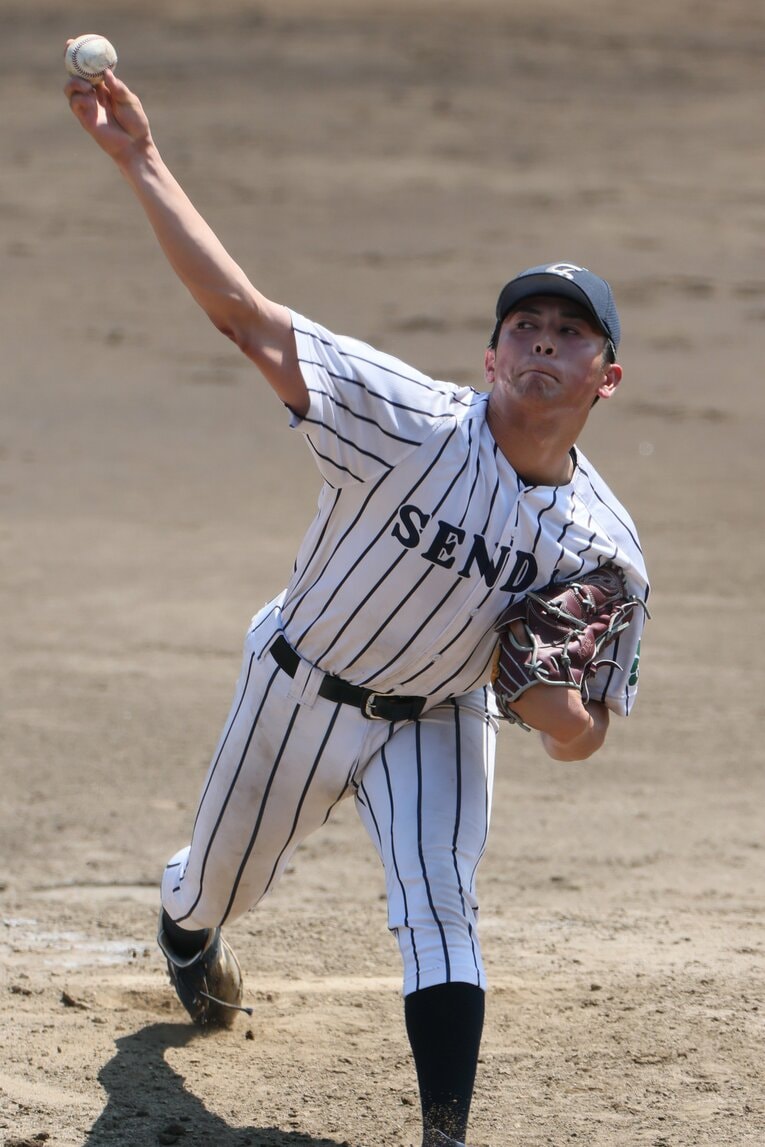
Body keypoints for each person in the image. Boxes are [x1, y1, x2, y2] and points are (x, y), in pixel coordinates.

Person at [64, 58, 649, 1147]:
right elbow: (248, 322)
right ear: (490, 354)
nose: (544, 343)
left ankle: (444, 1136)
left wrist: (556, 714)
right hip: (297, 685)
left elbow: (581, 735)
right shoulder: (411, 422)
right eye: (526, 325)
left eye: (571, 333)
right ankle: (187, 929)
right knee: (216, 892)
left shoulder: (605, 551)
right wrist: (140, 156)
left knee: (441, 914)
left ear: (604, 376)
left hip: (435, 720)